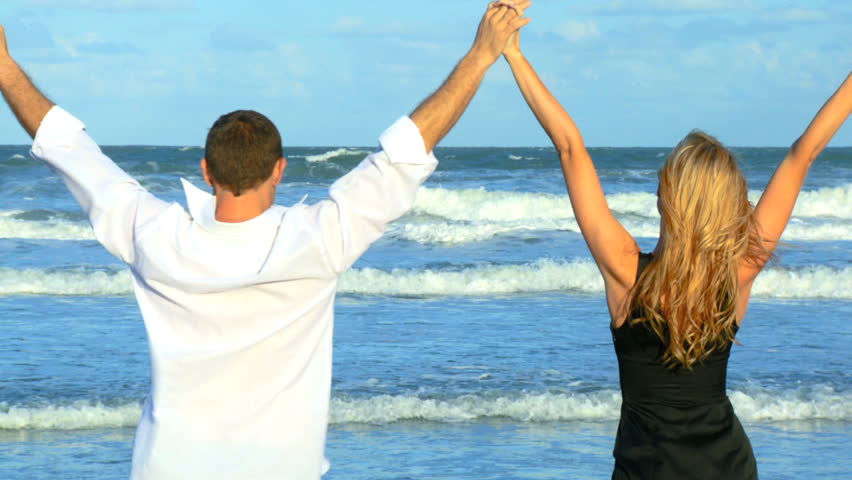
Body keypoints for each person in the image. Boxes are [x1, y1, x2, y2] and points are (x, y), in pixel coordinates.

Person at [0, 3, 531, 479]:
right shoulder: (320, 238)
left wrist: (4, 67)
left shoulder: (154, 236)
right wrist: (481, 56)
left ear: (206, 170)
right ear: (279, 170)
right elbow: (409, 149)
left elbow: (70, 150)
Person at [500, 15, 852, 480]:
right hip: (729, 466)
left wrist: (512, 53)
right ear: (727, 205)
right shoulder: (740, 271)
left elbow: (570, 148)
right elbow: (802, 154)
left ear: (670, 198)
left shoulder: (627, 274)